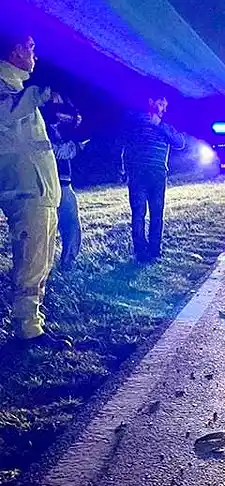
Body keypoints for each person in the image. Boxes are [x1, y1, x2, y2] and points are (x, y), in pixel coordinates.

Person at [0, 25, 72, 350]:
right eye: (30, 47)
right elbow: (8, 112)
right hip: (25, 194)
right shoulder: (7, 89)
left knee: (40, 261)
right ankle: (27, 332)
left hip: (41, 193)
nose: (35, 55)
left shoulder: (17, 89)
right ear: (15, 51)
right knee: (30, 263)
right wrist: (43, 95)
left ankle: (33, 323)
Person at [120, 94, 185, 262]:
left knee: (157, 214)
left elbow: (179, 142)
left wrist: (160, 126)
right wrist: (125, 170)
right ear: (151, 102)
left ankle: (155, 251)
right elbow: (126, 147)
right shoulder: (137, 123)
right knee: (138, 214)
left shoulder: (166, 126)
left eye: (165, 105)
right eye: (161, 104)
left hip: (158, 176)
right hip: (138, 175)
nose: (164, 108)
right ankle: (140, 252)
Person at [44, 94, 89, 270]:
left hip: (65, 184)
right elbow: (58, 152)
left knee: (72, 227)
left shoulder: (59, 128)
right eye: (55, 106)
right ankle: (42, 267)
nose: (61, 112)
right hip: (50, 185)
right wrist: (77, 146)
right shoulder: (41, 127)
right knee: (48, 229)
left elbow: (77, 118)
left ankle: (68, 264)